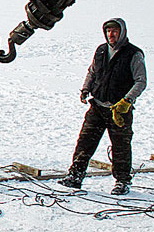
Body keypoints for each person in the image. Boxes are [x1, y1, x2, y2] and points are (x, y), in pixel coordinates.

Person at [58, 18, 146, 195]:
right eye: (108, 31)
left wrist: (126, 101)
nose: (111, 34)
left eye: (114, 31)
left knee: (120, 147)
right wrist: (85, 88)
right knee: (85, 142)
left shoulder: (133, 54)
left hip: (119, 110)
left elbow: (141, 81)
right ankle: (75, 175)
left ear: (122, 32)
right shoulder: (101, 50)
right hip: (97, 106)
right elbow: (92, 71)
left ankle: (122, 181)